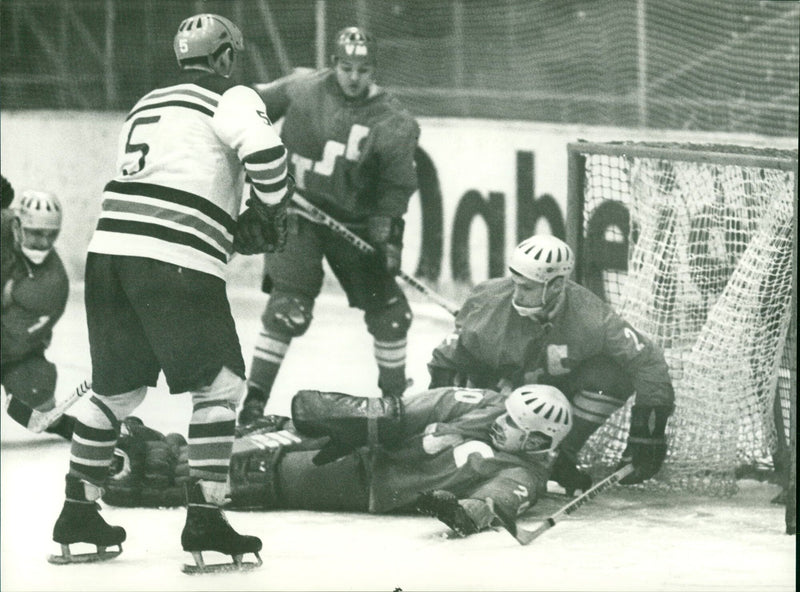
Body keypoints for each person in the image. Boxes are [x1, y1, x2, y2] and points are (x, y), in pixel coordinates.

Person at [48, 13, 292, 573]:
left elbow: (171, 178)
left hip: (108, 252)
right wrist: (272, 206)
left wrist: (229, 222)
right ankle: (206, 519)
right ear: (226, 56)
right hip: (172, 259)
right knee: (221, 386)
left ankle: (77, 513)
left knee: (114, 393)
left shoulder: (148, 101)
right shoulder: (232, 96)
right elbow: (268, 157)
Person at [237, 26, 420, 426]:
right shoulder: (302, 87)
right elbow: (246, 108)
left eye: (364, 69)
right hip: (294, 215)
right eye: (347, 67)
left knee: (391, 315)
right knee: (290, 308)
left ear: (375, 70)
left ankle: (394, 405)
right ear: (334, 63)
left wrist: (388, 240)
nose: (354, 78)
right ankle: (253, 401)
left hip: (350, 223)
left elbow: (395, 189)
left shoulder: (394, 121)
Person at [103, 383, 574, 539]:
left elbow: (496, 503)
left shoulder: (523, 472)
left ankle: (138, 478)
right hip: (368, 450)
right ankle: (152, 448)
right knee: (271, 434)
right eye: (507, 414)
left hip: (366, 486)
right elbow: (412, 408)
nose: (502, 421)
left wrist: (461, 512)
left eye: (516, 427)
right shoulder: (487, 403)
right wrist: (365, 418)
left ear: (536, 441)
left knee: (263, 473)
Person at [427, 234, 675, 492]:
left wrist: (649, 432)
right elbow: (447, 359)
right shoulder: (487, 300)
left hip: (550, 398)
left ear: (556, 286)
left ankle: (560, 457)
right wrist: (438, 418)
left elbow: (648, 361)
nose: (517, 293)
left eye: (528, 287)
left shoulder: (592, 316)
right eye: (516, 283)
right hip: (496, 393)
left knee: (613, 377)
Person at [1, 189, 74, 440]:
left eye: (51, 234)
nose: (44, 243)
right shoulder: (4, 224)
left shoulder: (51, 283)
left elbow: (9, 344)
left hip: (16, 353)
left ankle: (82, 433)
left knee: (37, 405)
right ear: (17, 225)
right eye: (36, 233)